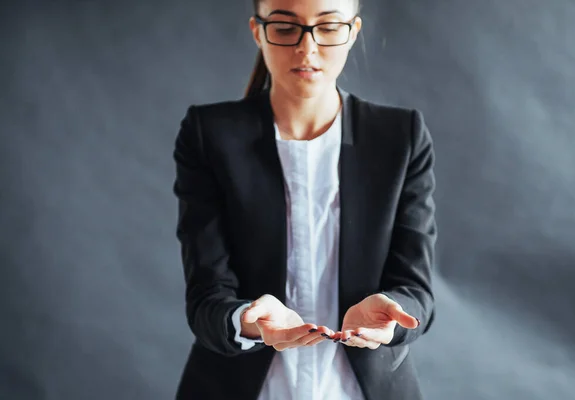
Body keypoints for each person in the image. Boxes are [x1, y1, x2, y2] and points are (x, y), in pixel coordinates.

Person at [171, 0, 437, 399]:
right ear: (258, 30)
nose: (307, 48)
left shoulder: (402, 137)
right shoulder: (209, 135)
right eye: (284, 26)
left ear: (353, 31)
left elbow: (416, 291)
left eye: (328, 27)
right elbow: (207, 298)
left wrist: (390, 312)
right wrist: (249, 319)